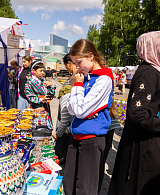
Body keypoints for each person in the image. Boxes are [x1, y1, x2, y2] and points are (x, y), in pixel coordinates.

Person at [108, 31, 160, 195]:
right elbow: (137, 112)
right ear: (158, 49)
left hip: (148, 146)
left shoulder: (154, 71)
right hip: (146, 151)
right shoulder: (149, 72)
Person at [63, 39, 114, 195]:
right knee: (69, 183)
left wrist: (77, 86)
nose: (76, 67)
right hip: (77, 135)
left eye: (78, 62)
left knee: (85, 188)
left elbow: (79, 110)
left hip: (91, 139)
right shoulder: (87, 77)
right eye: (73, 63)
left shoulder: (104, 79)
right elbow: (71, 108)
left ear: (91, 56)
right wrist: (79, 92)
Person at [53, 54, 77, 164]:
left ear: (69, 63)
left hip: (68, 120)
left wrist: (59, 132)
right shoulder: (74, 76)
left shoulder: (76, 77)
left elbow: (66, 117)